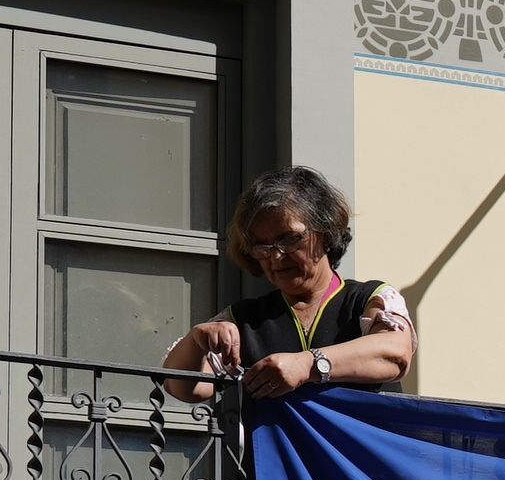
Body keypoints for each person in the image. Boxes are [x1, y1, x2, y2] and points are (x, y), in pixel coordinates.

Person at [169, 166, 418, 399]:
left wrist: (307, 365)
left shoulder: (369, 298)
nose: (276, 256)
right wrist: (196, 339)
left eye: (289, 238)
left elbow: (395, 354)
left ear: (325, 230)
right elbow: (184, 388)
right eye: (262, 246)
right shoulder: (244, 320)